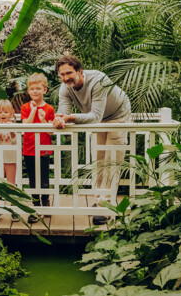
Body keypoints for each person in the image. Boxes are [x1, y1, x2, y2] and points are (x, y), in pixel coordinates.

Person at [52, 55, 131, 225]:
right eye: (62, 74)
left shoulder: (98, 80)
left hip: (118, 115)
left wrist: (69, 118)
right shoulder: (65, 88)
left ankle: (107, 207)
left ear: (79, 71)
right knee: (99, 160)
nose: (66, 78)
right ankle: (99, 200)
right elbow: (63, 112)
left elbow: (95, 116)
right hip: (98, 118)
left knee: (112, 160)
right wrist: (59, 119)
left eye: (69, 73)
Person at [21, 73, 55, 223]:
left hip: (44, 149)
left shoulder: (49, 109)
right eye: (32, 89)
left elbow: (51, 131)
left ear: (44, 90)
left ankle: (45, 202)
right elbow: (25, 127)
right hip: (29, 149)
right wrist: (33, 111)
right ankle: (35, 207)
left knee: (44, 178)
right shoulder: (25, 107)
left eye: (38, 88)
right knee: (33, 179)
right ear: (28, 91)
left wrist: (43, 119)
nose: (35, 91)